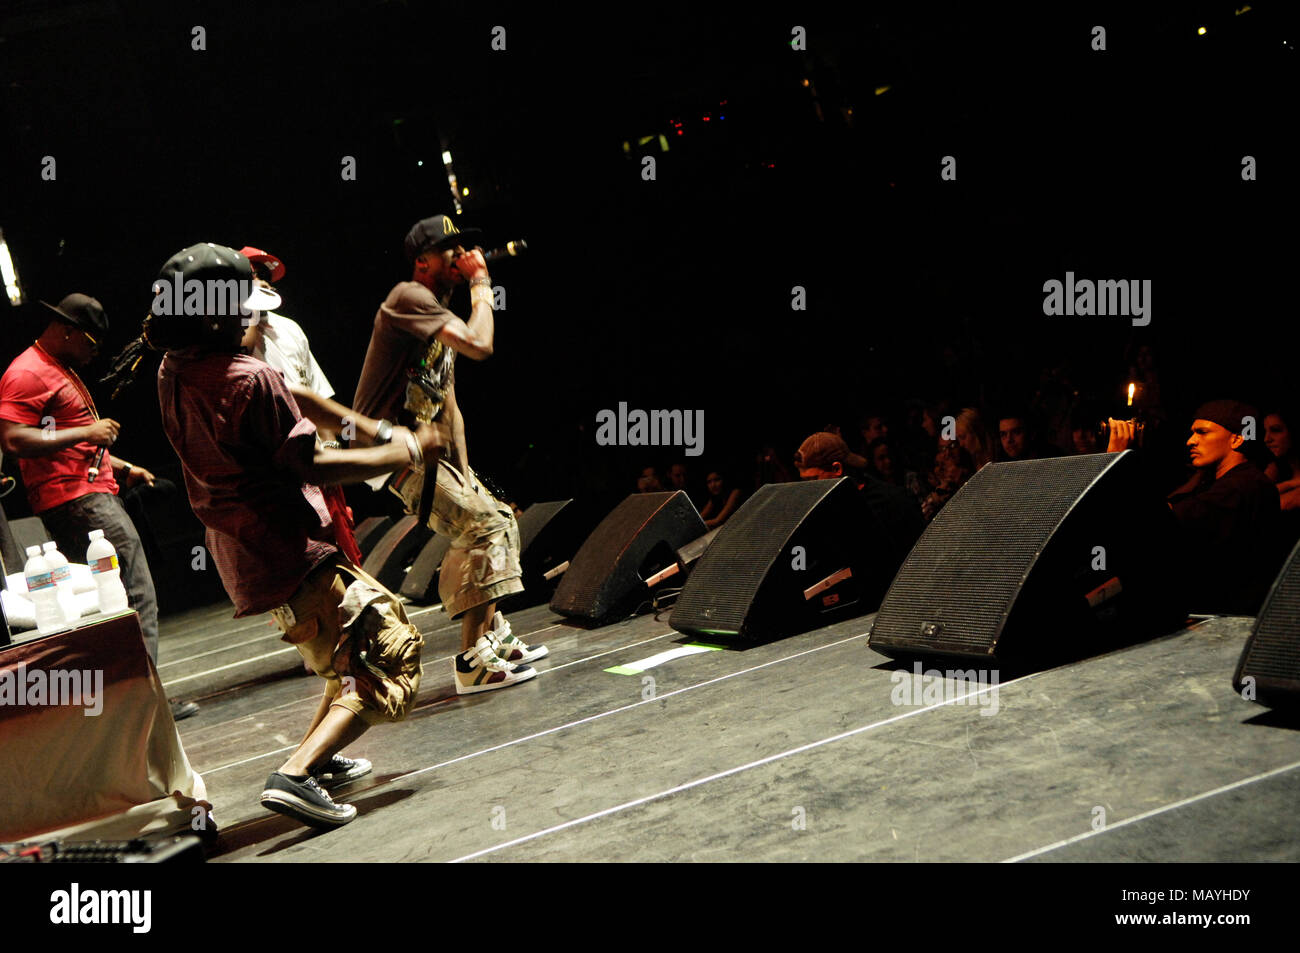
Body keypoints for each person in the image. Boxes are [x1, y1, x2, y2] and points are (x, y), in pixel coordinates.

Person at [136, 242, 449, 828]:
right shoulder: (250, 378)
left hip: (244, 552)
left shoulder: (171, 369)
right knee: (392, 657)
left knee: (343, 657)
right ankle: (298, 774)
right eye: (245, 308)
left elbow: (282, 410)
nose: (257, 318)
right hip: (289, 547)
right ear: (214, 315)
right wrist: (402, 446)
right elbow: (312, 465)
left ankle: (320, 765)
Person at [352, 214, 544, 694]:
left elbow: (447, 399)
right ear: (423, 262)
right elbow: (482, 344)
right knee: (483, 526)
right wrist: (482, 282)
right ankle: (471, 661)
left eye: (465, 250)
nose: (462, 257)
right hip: (389, 449)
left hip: (426, 447)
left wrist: (464, 472)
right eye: (450, 251)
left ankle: (493, 637)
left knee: (496, 515)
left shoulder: (440, 306)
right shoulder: (407, 298)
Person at [0, 294, 198, 721]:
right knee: (135, 593)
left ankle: (120, 701)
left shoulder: (58, 370)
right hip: (77, 502)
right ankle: (144, 699)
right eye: (90, 341)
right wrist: (89, 430)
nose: (95, 352)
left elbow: (72, 442)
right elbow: (14, 439)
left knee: (108, 603)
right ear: (67, 329)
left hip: (87, 495)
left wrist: (124, 468)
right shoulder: (27, 373)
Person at [236, 245, 362, 564]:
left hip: (316, 460)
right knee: (303, 565)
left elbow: (316, 393)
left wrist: (333, 447)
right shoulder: (231, 335)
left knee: (344, 549)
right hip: (277, 471)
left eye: (265, 276)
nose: (263, 282)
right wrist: (246, 307)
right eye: (253, 276)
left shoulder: (290, 329)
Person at [1108, 400, 1280, 615]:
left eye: (1202, 432)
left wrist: (1115, 461)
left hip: (1224, 622)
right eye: (1192, 433)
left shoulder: (1240, 488)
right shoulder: (1228, 482)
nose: (1191, 441)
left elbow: (1155, 524)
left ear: (1237, 438)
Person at [793, 431, 924, 566]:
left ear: (837, 469)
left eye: (813, 479)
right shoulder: (827, 509)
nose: (808, 488)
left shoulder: (894, 502)